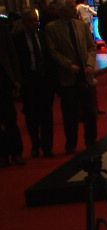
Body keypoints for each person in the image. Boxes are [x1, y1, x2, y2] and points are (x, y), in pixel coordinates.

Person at [46, 0, 97, 153]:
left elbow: (91, 46)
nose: (72, 9)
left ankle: (91, 140)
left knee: (90, 110)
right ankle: (71, 143)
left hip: (85, 73)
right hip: (68, 76)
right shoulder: (52, 28)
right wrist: (68, 65)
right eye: (69, 7)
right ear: (61, 10)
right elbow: (53, 51)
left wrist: (89, 64)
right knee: (70, 113)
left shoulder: (80, 25)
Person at [12, 7, 56, 157]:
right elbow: (16, 61)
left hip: (45, 80)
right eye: (32, 21)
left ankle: (48, 147)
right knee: (32, 116)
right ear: (24, 22)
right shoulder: (17, 39)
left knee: (47, 115)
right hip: (29, 82)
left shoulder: (43, 35)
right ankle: (35, 145)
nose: (35, 24)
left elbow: (49, 56)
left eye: (36, 21)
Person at [0, 14, 25, 166]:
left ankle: (16, 152)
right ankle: (3, 154)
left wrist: (16, 79)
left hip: (4, 78)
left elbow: (12, 54)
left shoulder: (2, 27)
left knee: (10, 118)